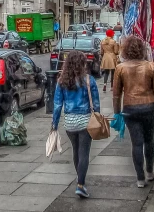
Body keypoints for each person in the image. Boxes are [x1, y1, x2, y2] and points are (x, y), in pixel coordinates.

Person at [112, 36, 154, 188]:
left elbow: (116, 94)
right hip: (150, 107)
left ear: (125, 50)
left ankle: (140, 178)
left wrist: (117, 113)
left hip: (130, 109)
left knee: (136, 143)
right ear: (142, 49)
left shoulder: (120, 68)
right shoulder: (151, 66)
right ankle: (149, 172)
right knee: (149, 140)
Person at [51, 50, 100, 199]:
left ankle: (80, 179)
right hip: (85, 121)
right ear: (82, 64)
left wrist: (54, 124)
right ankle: (80, 184)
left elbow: (57, 105)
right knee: (84, 153)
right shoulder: (88, 80)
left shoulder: (61, 81)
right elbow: (96, 103)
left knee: (76, 151)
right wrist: (97, 116)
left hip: (70, 123)